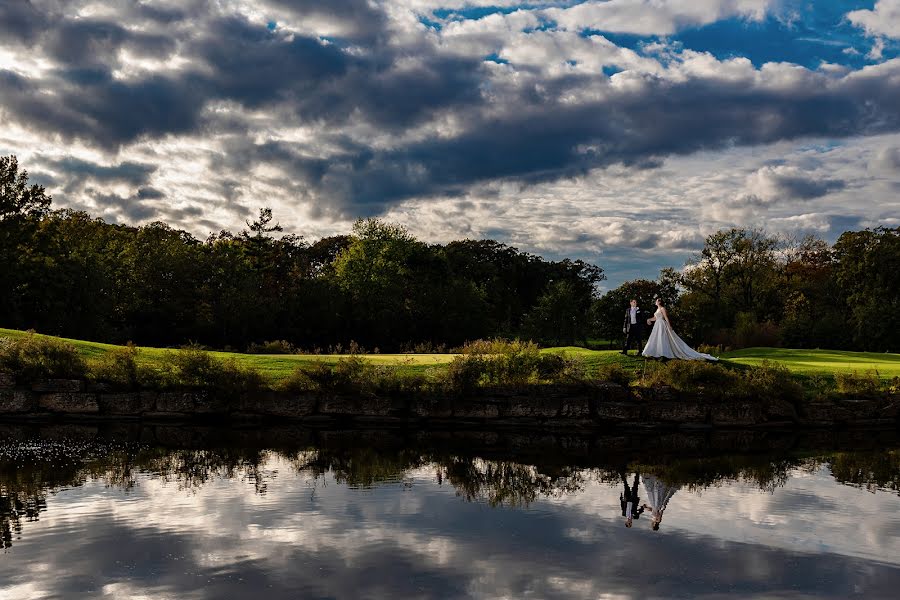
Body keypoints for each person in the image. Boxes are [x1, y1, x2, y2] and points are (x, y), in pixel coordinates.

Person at [642, 298, 718, 361]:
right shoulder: (657, 309)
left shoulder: (662, 308)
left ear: (659, 302)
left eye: (656, 300)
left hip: (661, 325)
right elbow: (655, 318)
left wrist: (669, 326)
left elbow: (665, 317)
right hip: (657, 325)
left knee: (662, 338)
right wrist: (649, 319)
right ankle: (655, 353)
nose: (655, 301)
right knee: (656, 339)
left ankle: (663, 353)